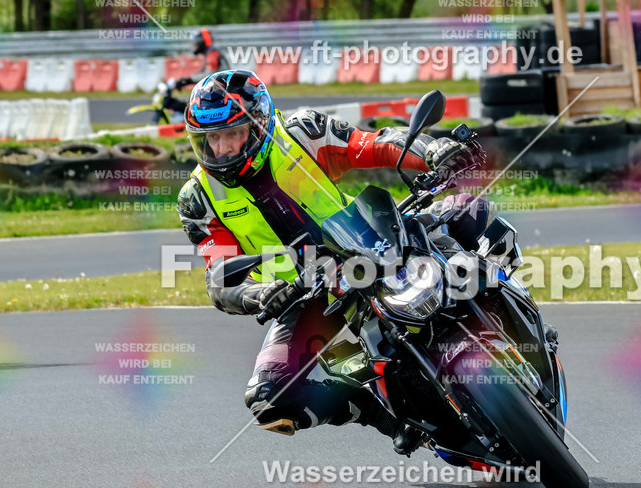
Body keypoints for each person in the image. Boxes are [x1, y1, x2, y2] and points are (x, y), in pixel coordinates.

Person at [176, 69, 492, 448]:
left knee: (468, 211)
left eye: (233, 133)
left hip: (369, 243)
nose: (223, 149)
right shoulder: (197, 199)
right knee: (269, 399)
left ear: (258, 125)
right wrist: (260, 294)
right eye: (212, 138)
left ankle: (504, 305)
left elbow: (375, 144)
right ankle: (383, 414)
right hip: (306, 295)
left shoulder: (302, 132)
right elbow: (219, 280)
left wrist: (432, 151)